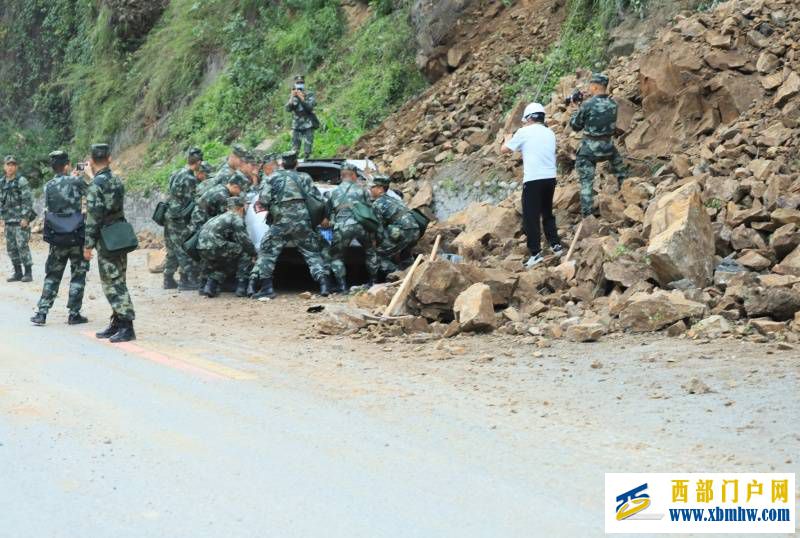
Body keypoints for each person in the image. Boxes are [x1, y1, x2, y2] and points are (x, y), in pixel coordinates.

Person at [249, 151, 331, 299]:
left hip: (281, 221)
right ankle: (324, 284)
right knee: (312, 252)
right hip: (302, 221)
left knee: (268, 252)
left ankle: (267, 288)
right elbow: (317, 199)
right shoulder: (304, 177)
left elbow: (264, 199)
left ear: (281, 163)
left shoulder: (272, 177)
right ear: (296, 164)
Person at [84, 143, 136, 343]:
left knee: (112, 283)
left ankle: (126, 324)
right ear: (110, 158)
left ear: (90, 160)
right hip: (119, 233)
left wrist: (88, 245)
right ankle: (116, 322)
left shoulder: (96, 185)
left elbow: (93, 217)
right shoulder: (116, 180)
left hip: (105, 238)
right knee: (118, 278)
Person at [30, 151, 89, 326]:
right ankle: (74, 313)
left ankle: (42, 312)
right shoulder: (76, 181)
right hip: (76, 235)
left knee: (52, 275)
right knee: (78, 275)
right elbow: (93, 191)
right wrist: (82, 175)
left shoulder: (48, 186)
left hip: (57, 235)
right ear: (67, 165)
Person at [502, 102, 564, 268]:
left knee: (531, 217)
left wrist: (508, 138)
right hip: (550, 178)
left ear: (529, 118)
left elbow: (504, 150)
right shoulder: (550, 133)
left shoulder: (523, 132)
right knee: (547, 212)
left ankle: (535, 253)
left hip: (533, 180)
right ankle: (555, 245)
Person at [569, 72, 627, 217]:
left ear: (595, 87)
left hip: (589, 151)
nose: (589, 89)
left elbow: (575, 126)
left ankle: (587, 215)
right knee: (621, 170)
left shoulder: (588, 105)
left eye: (590, 86)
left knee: (587, 182)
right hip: (608, 148)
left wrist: (575, 108)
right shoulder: (613, 104)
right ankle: (626, 195)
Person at [326, 163, 379, 292]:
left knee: (337, 257)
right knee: (370, 252)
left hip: (342, 227)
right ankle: (373, 282)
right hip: (362, 226)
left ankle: (342, 286)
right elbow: (370, 211)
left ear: (341, 176)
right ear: (354, 175)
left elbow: (329, 213)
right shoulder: (363, 191)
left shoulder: (333, 192)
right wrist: (373, 235)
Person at [197, 196, 256, 298]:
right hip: (215, 245)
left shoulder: (218, 217)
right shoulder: (236, 217)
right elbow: (244, 241)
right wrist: (254, 253)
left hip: (201, 247)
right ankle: (242, 287)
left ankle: (209, 287)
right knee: (244, 252)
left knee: (225, 259)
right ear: (241, 208)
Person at [163, 147, 203, 290]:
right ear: (198, 162)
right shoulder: (190, 178)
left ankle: (168, 279)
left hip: (168, 214)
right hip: (178, 217)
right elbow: (191, 200)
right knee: (182, 247)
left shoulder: (176, 173)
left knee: (172, 248)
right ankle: (186, 280)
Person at [369, 175, 421, 276]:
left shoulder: (377, 204)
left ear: (380, 189)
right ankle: (412, 273)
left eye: (373, 187)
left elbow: (378, 229)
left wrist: (374, 243)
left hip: (403, 232)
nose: (370, 189)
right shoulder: (394, 199)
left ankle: (397, 275)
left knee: (377, 256)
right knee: (405, 253)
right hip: (415, 230)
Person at [0, 155, 35, 282]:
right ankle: (18, 272)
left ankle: (28, 273)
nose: (10, 167)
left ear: (16, 167)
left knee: (22, 246)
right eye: (8, 165)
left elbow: (28, 200)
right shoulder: (2, 182)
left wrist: (25, 217)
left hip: (20, 220)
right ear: (4, 166)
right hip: (8, 221)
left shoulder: (21, 181)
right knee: (11, 247)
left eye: (13, 165)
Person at [285, 75, 317, 160]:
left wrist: (302, 98)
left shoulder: (309, 94)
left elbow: (310, 108)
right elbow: (288, 109)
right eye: (298, 83)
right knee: (294, 150)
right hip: (296, 125)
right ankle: (294, 166)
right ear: (295, 84)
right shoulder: (292, 94)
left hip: (308, 124)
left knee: (308, 150)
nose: (300, 84)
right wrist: (292, 97)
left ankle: (308, 162)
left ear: (304, 83)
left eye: (301, 83)